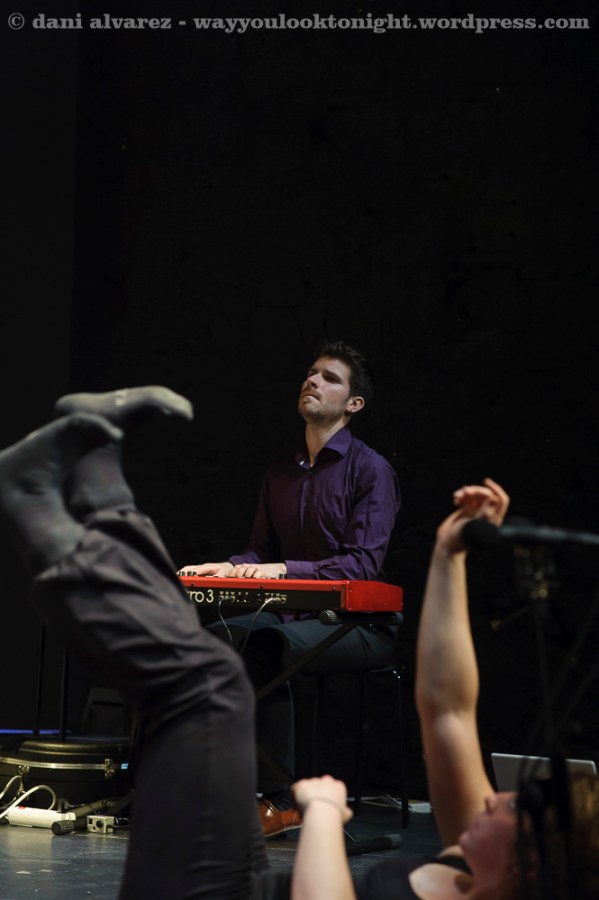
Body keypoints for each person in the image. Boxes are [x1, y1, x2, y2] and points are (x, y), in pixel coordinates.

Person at [289, 478, 599, 900]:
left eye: (514, 806)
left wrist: (323, 814)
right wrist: (449, 552)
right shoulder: (476, 862)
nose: (492, 798)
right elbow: (448, 711)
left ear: (529, 863)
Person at [178, 340, 401, 836]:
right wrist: (228, 568)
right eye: (311, 372)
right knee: (209, 642)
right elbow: (261, 551)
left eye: (330, 378)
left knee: (264, 645)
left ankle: (281, 800)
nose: (313, 380)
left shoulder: (371, 470)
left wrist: (280, 570)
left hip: (360, 625)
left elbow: (362, 566)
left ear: (353, 403)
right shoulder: (281, 472)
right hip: (296, 616)